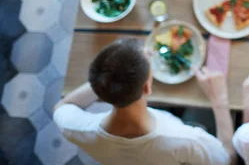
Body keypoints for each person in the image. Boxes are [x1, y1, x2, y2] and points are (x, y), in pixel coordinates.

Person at [53, 38, 236, 165]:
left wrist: (106, 78)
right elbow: (228, 159)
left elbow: (62, 107)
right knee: (202, 111)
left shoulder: (77, 128)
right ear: (147, 88)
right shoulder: (187, 140)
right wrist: (219, 99)